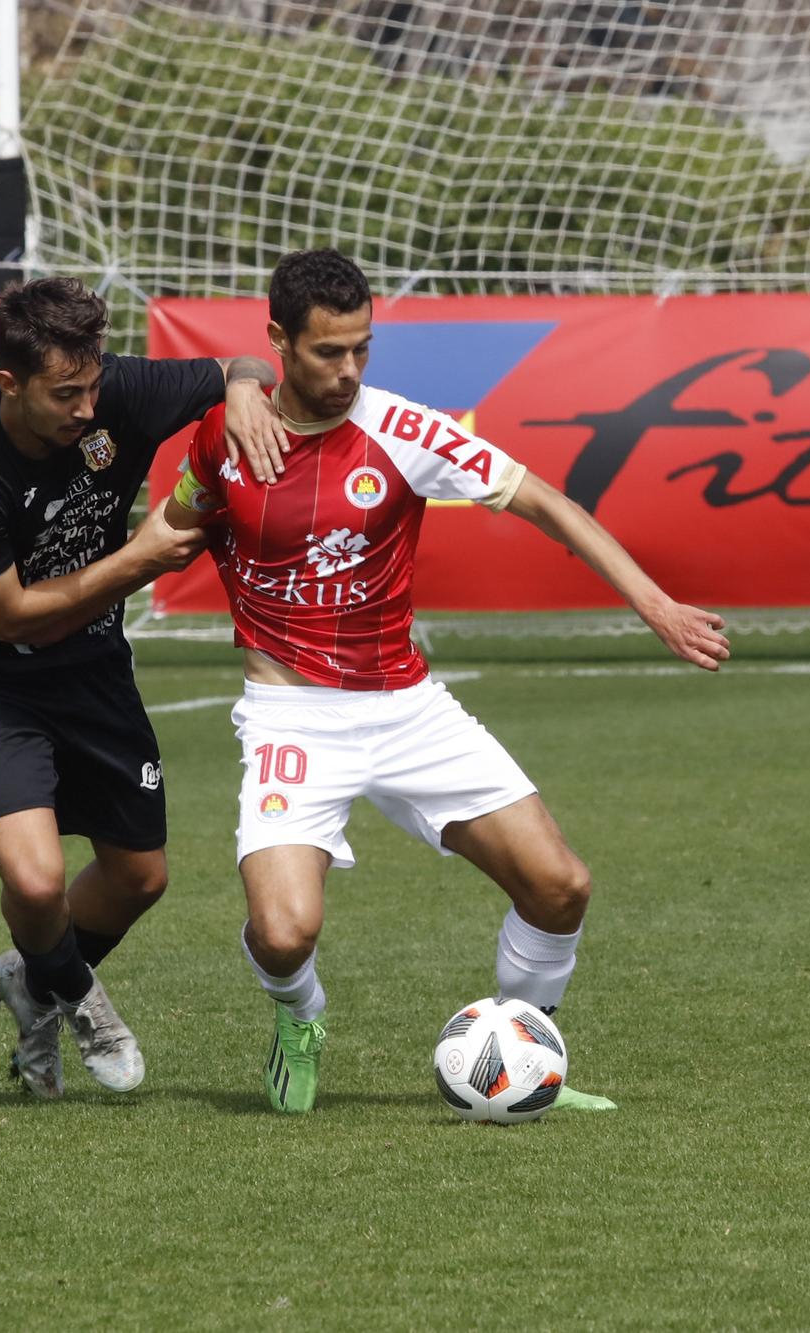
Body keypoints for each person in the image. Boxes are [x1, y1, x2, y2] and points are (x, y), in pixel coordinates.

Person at [164, 249, 729, 1114]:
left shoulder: (401, 429)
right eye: (327, 352)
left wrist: (654, 604)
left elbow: (543, 498)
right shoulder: (227, 435)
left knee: (560, 885)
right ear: (278, 340)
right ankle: (299, 1017)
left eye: (362, 348)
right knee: (283, 935)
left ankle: (530, 1050)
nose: (349, 369)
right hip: (291, 717)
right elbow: (169, 529)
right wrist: (58, 607)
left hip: (407, 705)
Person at [0, 275, 282, 1098]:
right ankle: (80, 1003)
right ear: (8, 383)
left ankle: (32, 977)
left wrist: (242, 394)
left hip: (93, 674)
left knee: (141, 877)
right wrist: (143, 557)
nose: (88, 407)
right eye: (65, 393)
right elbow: (11, 615)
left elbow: (242, 363)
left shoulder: (112, 389)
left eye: (93, 383)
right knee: (37, 880)